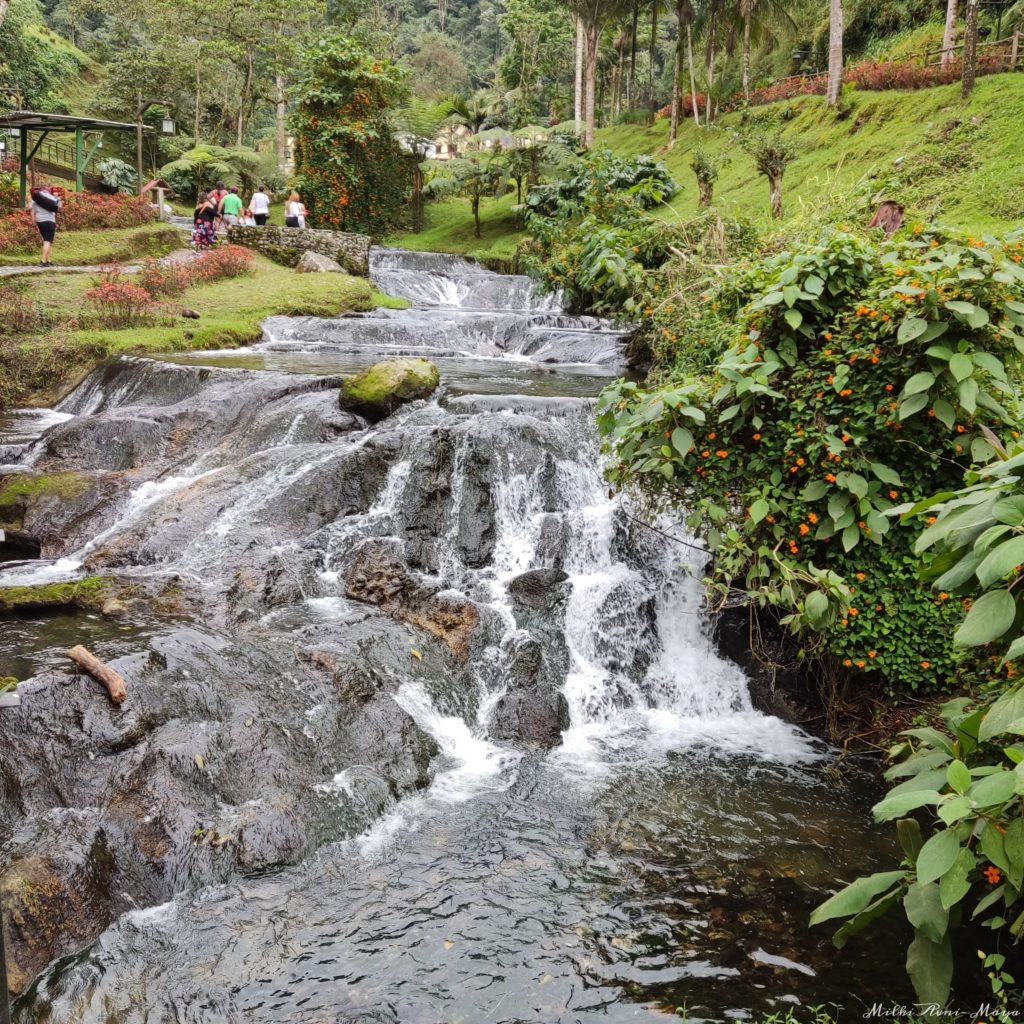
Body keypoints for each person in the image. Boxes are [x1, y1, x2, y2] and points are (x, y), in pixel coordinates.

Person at [29, 185, 61, 267]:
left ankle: (47, 260)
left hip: (40, 222)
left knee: (47, 241)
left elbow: (32, 212)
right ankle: (43, 261)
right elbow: (59, 207)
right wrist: (57, 197)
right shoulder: (51, 197)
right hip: (50, 221)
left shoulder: (35, 199)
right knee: (47, 241)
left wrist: (34, 223)